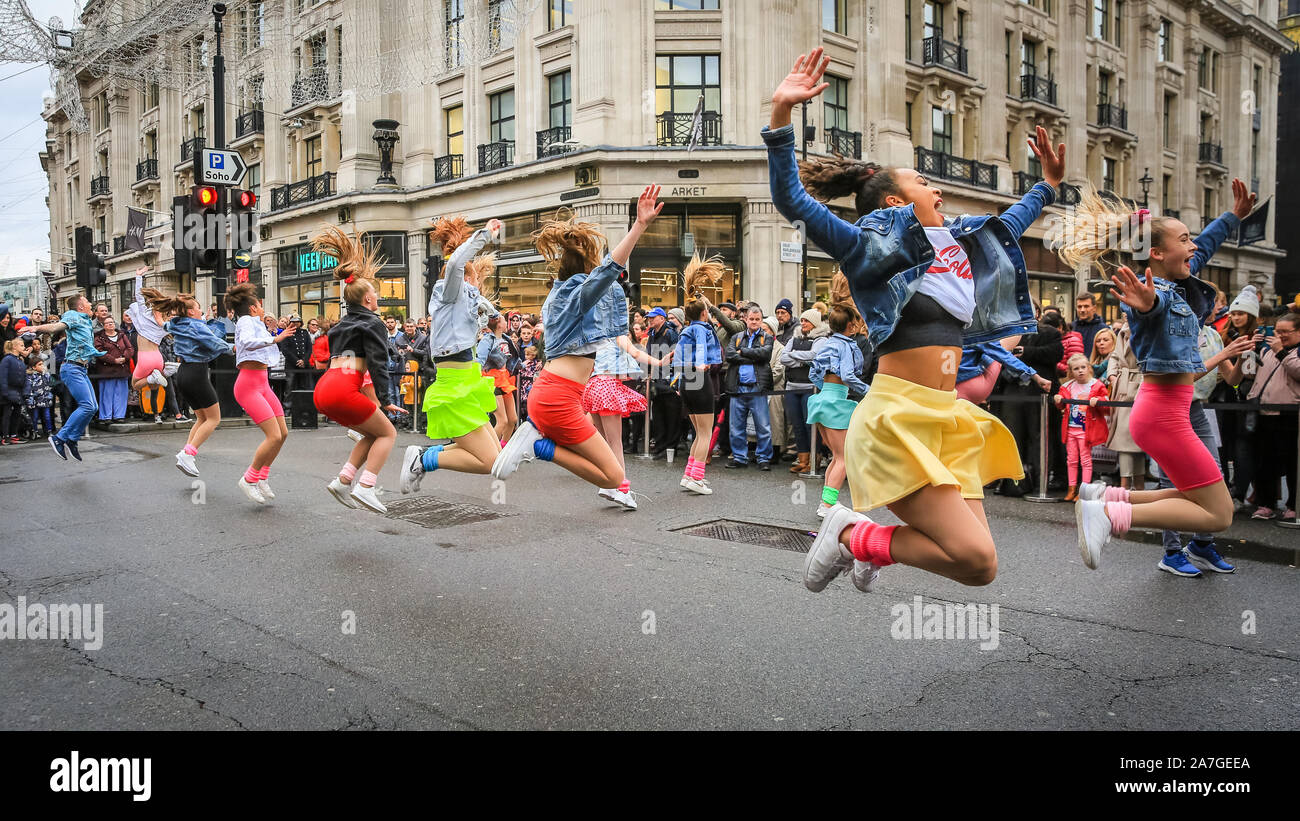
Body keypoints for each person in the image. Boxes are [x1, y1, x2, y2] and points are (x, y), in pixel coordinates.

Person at [764, 48, 1064, 593]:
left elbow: (1012, 221)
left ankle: (860, 539)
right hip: (898, 420)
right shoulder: (867, 248)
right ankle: (852, 536)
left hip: (947, 419)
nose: (939, 188)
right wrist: (782, 116)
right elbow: (793, 200)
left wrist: (1046, 185)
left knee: (979, 567)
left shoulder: (964, 244)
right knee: (975, 556)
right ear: (899, 199)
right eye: (926, 182)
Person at [1066, 178, 1257, 569]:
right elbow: (1152, 304)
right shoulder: (1159, 293)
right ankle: (1108, 516)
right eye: (1185, 240)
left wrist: (1233, 217)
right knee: (1219, 514)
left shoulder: (1183, 284)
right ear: (1156, 253)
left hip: (1166, 412)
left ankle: (1105, 500)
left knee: (1194, 496)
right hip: (1163, 416)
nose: (1193, 246)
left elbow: (1207, 244)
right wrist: (1147, 302)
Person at [490, 187, 664, 494]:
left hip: (554, 394)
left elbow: (600, 275)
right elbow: (610, 270)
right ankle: (539, 447)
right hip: (558, 398)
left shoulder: (558, 295)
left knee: (611, 474)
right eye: (592, 267)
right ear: (585, 272)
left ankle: (536, 438)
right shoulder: (576, 298)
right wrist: (639, 226)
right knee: (612, 478)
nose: (597, 271)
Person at [399, 217, 505, 493]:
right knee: (490, 461)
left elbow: (480, 316)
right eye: (477, 280)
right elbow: (457, 264)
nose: (479, 286)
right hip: (453, 384)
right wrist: (485, 236)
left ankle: (424, 456)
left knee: (496, 456)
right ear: (468, 278)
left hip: (467, 381)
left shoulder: (464, 303)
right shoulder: (449, 291)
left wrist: (486, 315)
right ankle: (423, 459)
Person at [310, 227, 407, 514]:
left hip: (325, 388)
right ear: (367, 300)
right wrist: (387, 398)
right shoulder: (373, 322)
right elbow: (377, 363)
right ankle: (365, 487)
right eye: (375, 294)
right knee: (388, 434)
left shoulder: (342, 324)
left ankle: (343, 482)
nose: (378, 298)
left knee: (370, 434)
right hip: (343, 388)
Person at [582, 333, 669, 509]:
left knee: (606, 442)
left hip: (593, 385)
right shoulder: (617, 335)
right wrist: (660, 362)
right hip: (607, 385)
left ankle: (608, 485)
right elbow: (636, 354)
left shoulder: (596, 337)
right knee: (616, 443)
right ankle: (622, 489)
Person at [1227, 313, 1300, 522]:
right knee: (1265, 461)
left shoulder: (1293, 351)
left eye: (1285, 332)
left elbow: (1297, 371)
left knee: (1292, 462)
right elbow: (1250, 374)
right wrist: (1250, 352)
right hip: (1263, 411)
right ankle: (1266, 503)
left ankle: (1293, 505)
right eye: (1277, 331)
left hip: (1290, 413)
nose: (1280, 336)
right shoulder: (1267, 350)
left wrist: (1281, 351)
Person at [227, 283, 290, 504]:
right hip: (248, 385)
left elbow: (264, 349)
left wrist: (274, 336)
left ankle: (261, 476)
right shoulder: (245, 321)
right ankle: (249, 478)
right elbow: (245, 342)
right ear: (253, 308)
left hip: (262, 383)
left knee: (282, 434)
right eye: (259, 305)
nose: (262, 307)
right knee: (273, 435)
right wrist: (275, 338)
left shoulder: (255, 322)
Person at [23, 294, 106, 460]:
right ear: (80, 306)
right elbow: (56, 327)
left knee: (93, 407)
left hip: (81, 369)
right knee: (88, 406)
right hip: (72, 368)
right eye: (88, 301)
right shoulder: (73, 315)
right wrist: (36, 328)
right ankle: (59, 438)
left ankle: (72, 440)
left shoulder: (85, 319)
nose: (90, 304)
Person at [161, 292, 235, 477]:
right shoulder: (195, 325)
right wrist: (235, 348)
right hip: (197, 373)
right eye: (199, 307)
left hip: (184, 373)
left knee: (202, 419)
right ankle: (188, 454)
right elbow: (214, 343)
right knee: (214, 419)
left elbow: (164, 324)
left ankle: (186, 453)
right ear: (192, 312)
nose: (201, 310)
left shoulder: (176, 324)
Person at [806, 304, 869, 516]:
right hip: (835, 403)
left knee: (837, 456)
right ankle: (827, 505)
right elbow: (849, 376)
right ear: (850, 326)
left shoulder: (826, 343)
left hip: (822, 400)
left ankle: (827, 502)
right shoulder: (846, 346)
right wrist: (869, 390)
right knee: (844, 458)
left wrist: (828, 390)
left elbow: (814, 374)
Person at [675, 298, 724, 493]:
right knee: (705, 433)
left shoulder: (685, 331)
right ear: (704, 313)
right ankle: (696, 477)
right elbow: (702, 348)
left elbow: (679, 358)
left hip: (686, 380)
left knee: (699, 433)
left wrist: (679, 383)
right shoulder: (701, 329)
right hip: (700, 378)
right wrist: (702, 365)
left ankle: (689, 474)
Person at [724, 305, 776, 470]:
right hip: (738, 388)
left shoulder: (766, 337)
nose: (754, 322)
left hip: (757, 388)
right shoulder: (736, 337)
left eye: (757, 319)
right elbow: (730, 356)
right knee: (736, 426)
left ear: (761, 320)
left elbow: (765, 355)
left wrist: (743, 352)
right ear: (746, 319)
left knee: (763, 426)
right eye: (751, 319)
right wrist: (753, 355)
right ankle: (740, 458)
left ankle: (763, 458)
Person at [1055, 353, 1110, 501]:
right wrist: (1058, 400)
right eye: (1076, 368)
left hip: (1086, 430)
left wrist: (1098, 400)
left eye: (1083, 367)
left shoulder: (1096, 384)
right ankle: (1071, 489)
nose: (1080, 371)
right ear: (1071, 371)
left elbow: (1107, 404)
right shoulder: (1067, 386)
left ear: (1089, 368)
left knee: (1085, 460)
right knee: (1071, 460)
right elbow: (1061, 405)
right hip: (1071, 428)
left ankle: (1083, 490)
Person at [779, 308, 828, 474]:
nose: (803, 323)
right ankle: (803, 459)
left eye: (806, 320)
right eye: (802, 320)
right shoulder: (795, 337)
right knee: (797, 425)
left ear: (814, 322)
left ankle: (815, 460)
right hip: (792, 387)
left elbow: (815, 355)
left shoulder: (821, 338)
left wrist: (795, 356)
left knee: (810, 425)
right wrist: (802, 361)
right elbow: (783, 357)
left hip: (810, 387)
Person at [645, 306, 682, 459]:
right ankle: (660, 446)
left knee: (672, 416)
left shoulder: (670, 333)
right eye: (649, 317)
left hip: (669, 380)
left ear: (662, 318)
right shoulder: (652, 334)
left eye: (653, 317)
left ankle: (671, 448)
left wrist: (676, 383)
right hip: (656, 379)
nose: (650, 320)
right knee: (658, 415)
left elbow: (678, 357)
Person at [477, 314, 519, 442]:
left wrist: (522, 365)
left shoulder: (505, 338)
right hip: (492, 380)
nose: (507, 323)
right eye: (505, 321)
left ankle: (503, 448)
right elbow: (479, 360)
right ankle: (491, 450)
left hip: (504, 379)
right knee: (502, 421)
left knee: (513, 420)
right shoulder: (487, 340)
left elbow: (512, 358)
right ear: (499, 324)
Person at [92, 316, 134, 424]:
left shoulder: (122, 335)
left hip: (122, 369)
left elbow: (130, 348)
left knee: (121, 393)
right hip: (106, 370)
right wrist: (114, 360)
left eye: (112, 322)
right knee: (107, 393)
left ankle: (119, 415)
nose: (110, 324)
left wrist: (124, 358)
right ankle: (106, 416)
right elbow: (99, 351)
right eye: (107, 323)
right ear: (104, 326)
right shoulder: (99, 337)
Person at [0, 339, 27, 444]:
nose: (24, 347)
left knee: (17, 414)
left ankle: (14, 435)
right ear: (14, 347)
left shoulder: (20, 360)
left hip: (18, 391)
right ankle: (5, 436)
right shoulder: (7, 360)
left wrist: (25, 391)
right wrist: (5, 392)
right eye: (21, 345)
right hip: (8, 391)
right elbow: (3, 377)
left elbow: (24, 377)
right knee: (7, 414)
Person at [23, 356, 54, 441]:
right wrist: (30, 400)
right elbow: (28, 389)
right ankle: (35, 431)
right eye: (40, 364)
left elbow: (50, 384)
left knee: (47, 416)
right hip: (35, 400)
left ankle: (49, 431)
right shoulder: (30, 376)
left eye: (43, 364)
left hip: (45, 399)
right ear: (34, 367)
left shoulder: (46, 375)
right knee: (35, 417)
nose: (42, 366)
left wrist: (49, 395)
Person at [1074, 293, 1106, 358]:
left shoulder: (1103, 329)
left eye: (1086, 306)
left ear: (1094, 308)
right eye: (1079, 307)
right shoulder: (1071, 328)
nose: (1082, 310)